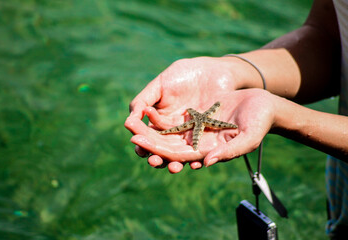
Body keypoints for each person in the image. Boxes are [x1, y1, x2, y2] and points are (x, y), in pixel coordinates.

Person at [124, 0, 348, 238]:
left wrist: (283, 115)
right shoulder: (198, 116)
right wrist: (231, 71)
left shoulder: (198, 120)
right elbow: (331, 38)